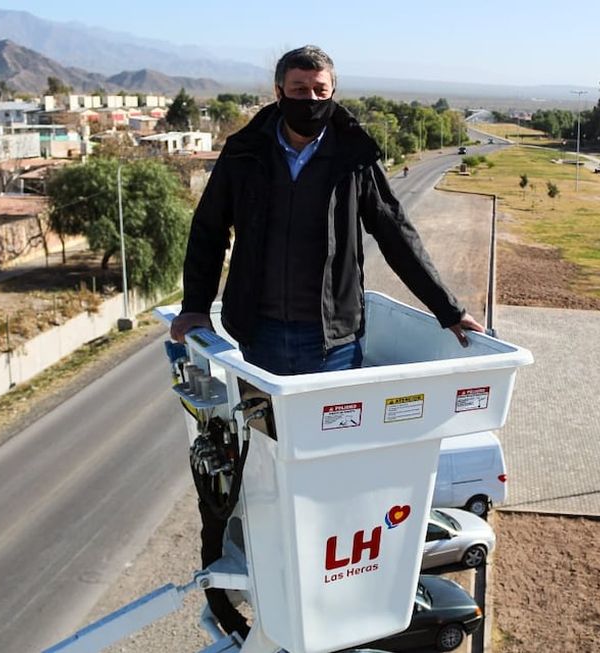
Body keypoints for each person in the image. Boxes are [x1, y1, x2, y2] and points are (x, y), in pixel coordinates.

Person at [169, 44, 484, 637]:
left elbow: (395, 232)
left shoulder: (353, 157)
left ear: (333, 91)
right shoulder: (243, 153)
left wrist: (448, 309)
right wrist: (194, 308)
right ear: (277, 89)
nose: (309, 100)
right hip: (257, 344)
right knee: (255, 469)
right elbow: (208, 231)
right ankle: (251, 581)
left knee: (333, 475)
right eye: (298, 88)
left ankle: (332, 587)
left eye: (320, 90)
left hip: (332, 344)